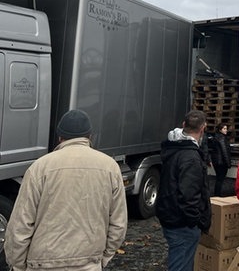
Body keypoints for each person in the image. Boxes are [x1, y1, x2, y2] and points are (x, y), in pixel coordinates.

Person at [4, 109, 128, 271]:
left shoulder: (40, 167)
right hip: (89, 262)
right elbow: (118, 224)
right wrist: (102, 259)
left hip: (42, 264)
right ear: (89, 137)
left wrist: (18, 264)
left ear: (60, 137)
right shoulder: (110, 167)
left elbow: (21, 224)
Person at [156, 110, 211, 271]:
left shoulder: (173, 148)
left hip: (170, 217)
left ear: (183, 125)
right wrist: (194, 221)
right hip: (182, 224)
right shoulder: (191, 157)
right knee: (181, 265)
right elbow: (189, 196)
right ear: (203, 128)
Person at [210, 122, 232, 196]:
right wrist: (228, 163)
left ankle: (217, 193)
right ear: (220, 130)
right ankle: (218, 194)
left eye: (226, 129)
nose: (226, 130)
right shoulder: (222, 138)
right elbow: (224, 151)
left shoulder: (215, 137)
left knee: (218, 178)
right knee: (220, 179)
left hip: (216, 162)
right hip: (222, 162)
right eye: (224, 129)